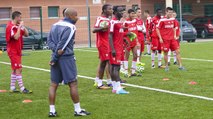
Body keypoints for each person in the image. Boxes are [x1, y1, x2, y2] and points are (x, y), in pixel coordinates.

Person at [47, 8, 90, 117]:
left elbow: (49, 42)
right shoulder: (71, 27)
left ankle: (52, 111)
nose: (78, 18)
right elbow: (63, 45)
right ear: (70, 16)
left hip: (55, 56)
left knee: (53, 84)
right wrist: (55, 58)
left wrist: (54, 55)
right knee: (73, 83)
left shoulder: (54, 25)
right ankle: (78, 110)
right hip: (66, 58)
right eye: (76, 15)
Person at [5, 11, 32, 94]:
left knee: (15, 69)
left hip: (18, 51)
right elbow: (16, 37)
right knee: (19, 69)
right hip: (13, 51)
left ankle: (12, 87)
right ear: (16, 17)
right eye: (20, 17)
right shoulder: (10, 27)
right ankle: (22, 88)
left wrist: (23, 26)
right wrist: (20, 26)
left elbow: (27, 34)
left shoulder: (17, 26)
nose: (21, 19)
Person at [156, 7, 185, 71]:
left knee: (178, 51)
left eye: (171, 12)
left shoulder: (173, 19)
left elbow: (175, 27)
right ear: (166, 12)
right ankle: (166, 66)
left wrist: (175, 35)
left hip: (172, 39)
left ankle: (180, 66)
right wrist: (160, 38)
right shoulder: (162, 20)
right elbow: (157, 29)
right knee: (166, 53)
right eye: (169, 12)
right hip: (165, 39)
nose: (171, 14)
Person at [109, 6, 129, 94]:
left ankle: (114, 88)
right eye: (120, 11)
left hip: (120, 47)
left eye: (123, 11)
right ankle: (118, 88)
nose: (122, 12)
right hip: (115, 48)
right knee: (116, 67)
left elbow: (118, 34)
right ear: (115, 12)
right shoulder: (113, 22)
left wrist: (124, 40)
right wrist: (112, 49)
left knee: (115, 67)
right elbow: (110, 35)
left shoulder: (119, 22)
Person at [92, 4, 113, 89]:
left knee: (105, 62)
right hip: (102, 43)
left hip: (108, 43)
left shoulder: (108, 19)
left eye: (112, 9)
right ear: (104, 10)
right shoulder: (99, 19)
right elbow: (94, 30)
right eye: (110, 9)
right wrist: (102, 28)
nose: (111, 10)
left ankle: (106, 81)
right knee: (105, 63)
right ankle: (100, 84)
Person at [123, 9, 140, 77]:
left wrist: (137, 41)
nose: (133, 15)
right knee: (126, 56)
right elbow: (122, 32)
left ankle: (133, 71)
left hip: (134, 41)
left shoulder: (135, 21)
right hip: (127, 41)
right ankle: (126, 71)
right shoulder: (125, 22)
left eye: (134, 13)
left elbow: (136, 32)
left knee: (135, 55)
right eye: (132, 13)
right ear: (129, 14)